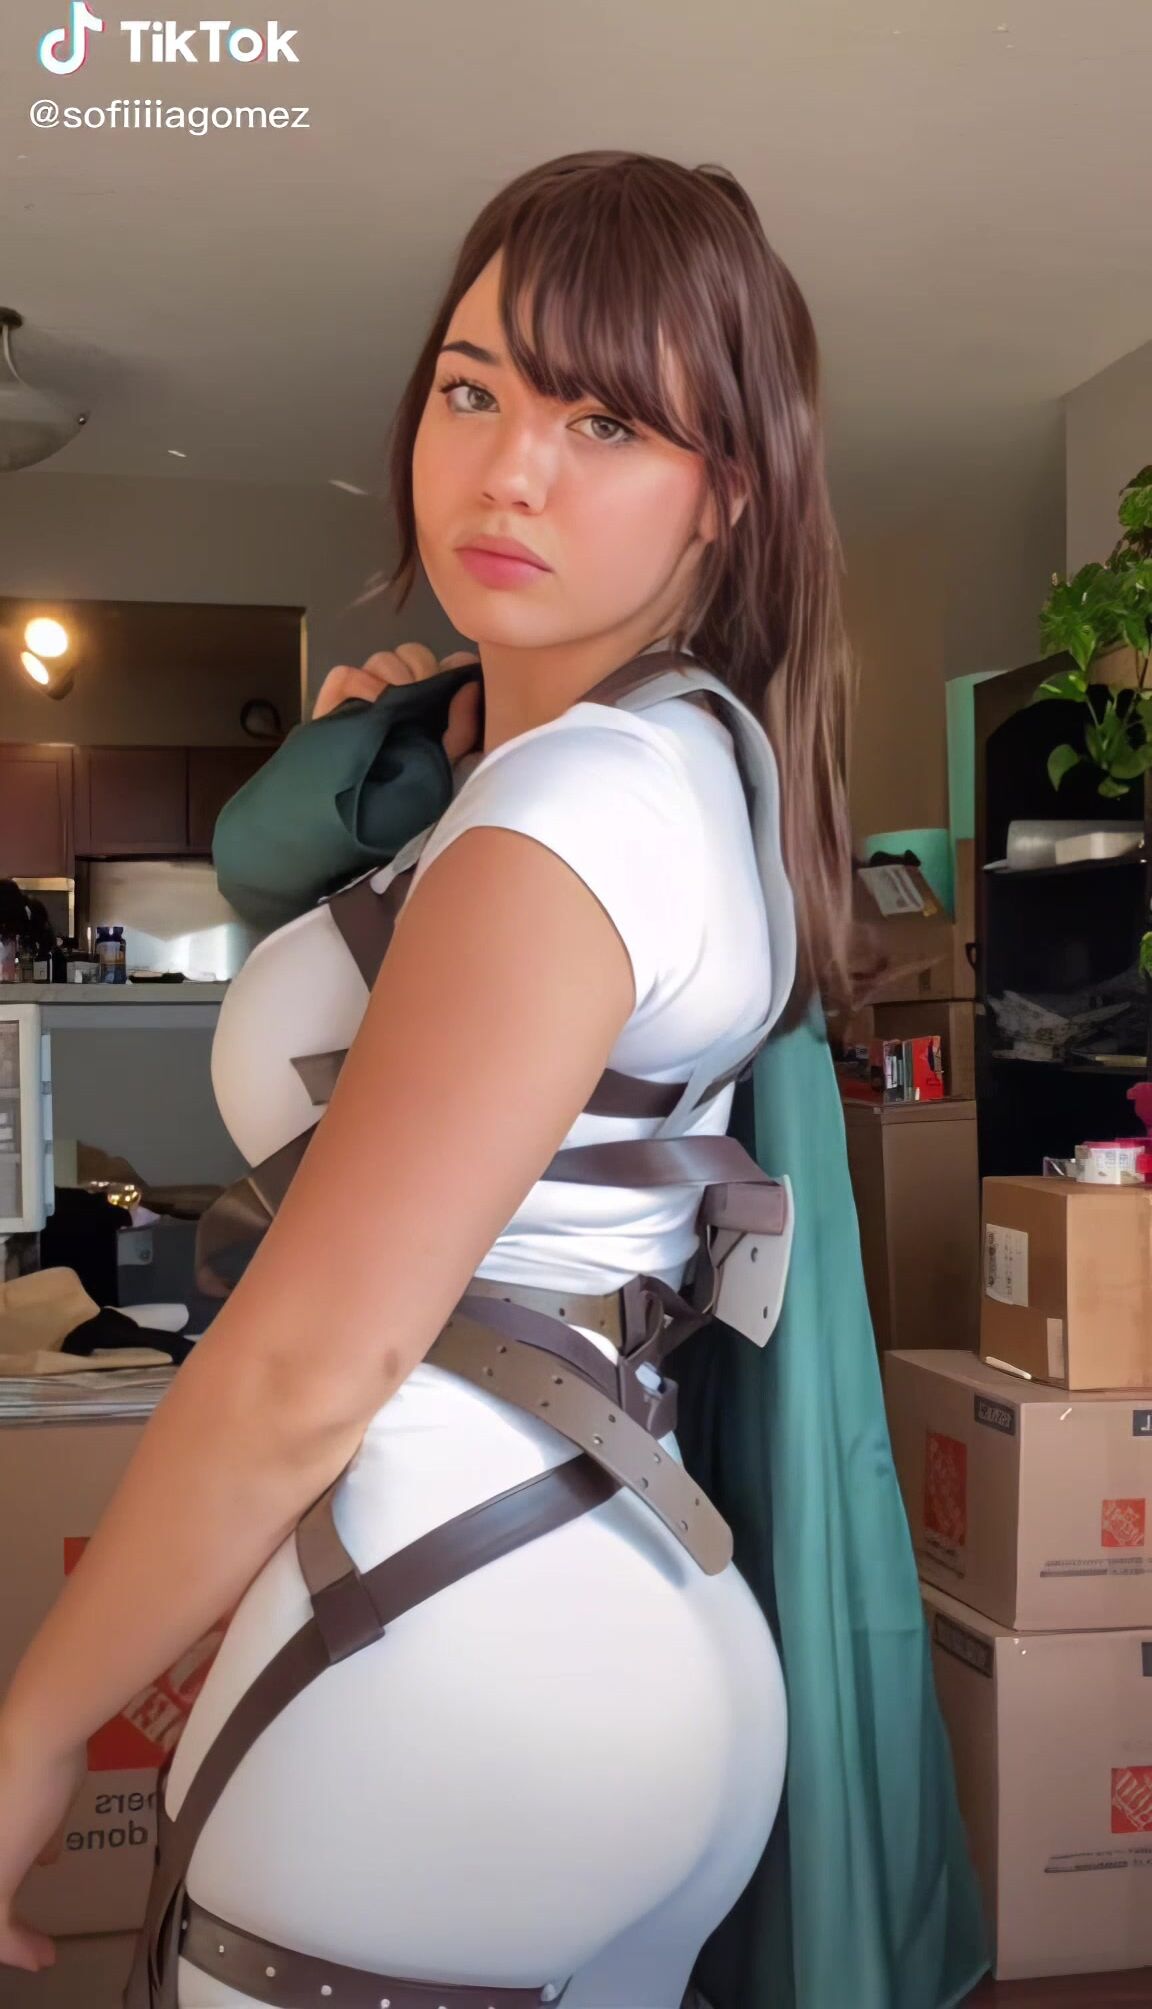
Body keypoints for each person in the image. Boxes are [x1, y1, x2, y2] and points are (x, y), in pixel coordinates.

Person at [0, 150, 969, 2009]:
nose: (510, 467)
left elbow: (307, 1364)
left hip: (446, 1651)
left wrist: (35, 1725)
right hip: (623, 1621)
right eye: (473, 389)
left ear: (729, 488)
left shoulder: (571, 806)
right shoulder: (686, 763)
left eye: (608, 421)